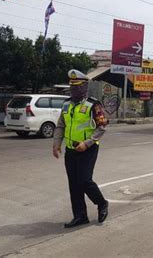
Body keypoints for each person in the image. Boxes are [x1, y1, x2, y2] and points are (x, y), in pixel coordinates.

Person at [53, 69, 109, 228]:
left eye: (77, 86)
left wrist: (87, 143)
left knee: (84, 180)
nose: (74, 90)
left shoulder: (93, 105)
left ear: (84, 87)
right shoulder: (66, 105)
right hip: (71, 150)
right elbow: (60, 126)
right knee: (74, 184)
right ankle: (80, 216)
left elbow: (102, 127)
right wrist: (56, 144)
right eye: (72, 87)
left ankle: (102, 203)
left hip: (88, 149)